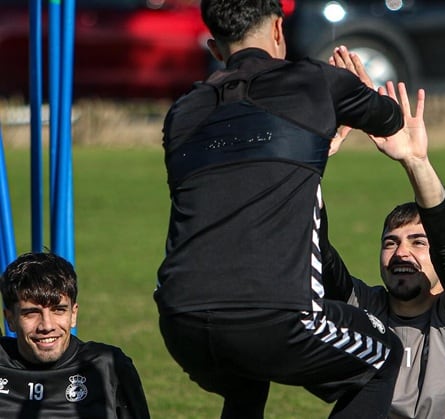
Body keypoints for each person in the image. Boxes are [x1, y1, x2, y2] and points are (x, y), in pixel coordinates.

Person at [155, 1, 406, 418]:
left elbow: (240, 177)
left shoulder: (182, 113)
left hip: (181, 323)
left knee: (245, 379)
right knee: (383, 356)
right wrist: (354, 91)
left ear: (216, 49)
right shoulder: (316, 82)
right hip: (276, 318)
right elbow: (389, 118)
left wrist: (309, 145)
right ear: (277, 30)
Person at [324, 48, 445, 419]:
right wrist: (315, 154)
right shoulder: (366, 309)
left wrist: (416, 162)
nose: (402, 253)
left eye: (418, 242)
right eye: (391, 242)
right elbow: (314, 252)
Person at [0, 252, 150, 418]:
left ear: (73, 315)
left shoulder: (107, 366)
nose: (47, 326)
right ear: (10, 319)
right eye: (32, 313)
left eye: (59, 310)